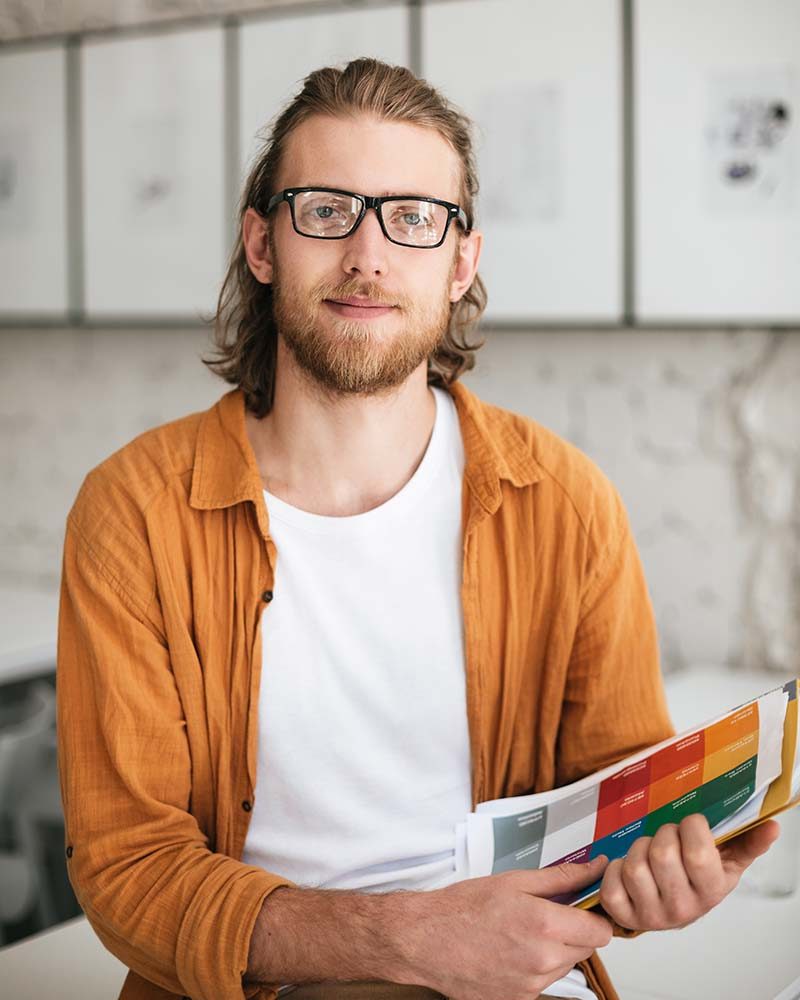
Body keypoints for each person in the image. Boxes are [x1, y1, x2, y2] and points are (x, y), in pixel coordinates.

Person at [57, 58, 779, 1000]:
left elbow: (615, 793)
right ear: (262, 244)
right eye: (325, 210)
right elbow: (127, 868)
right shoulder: (133, 517)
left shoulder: (565, 502)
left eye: (412, 218)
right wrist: (406, 939)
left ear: (461, 260)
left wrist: (655, 872)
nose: (368, 255)